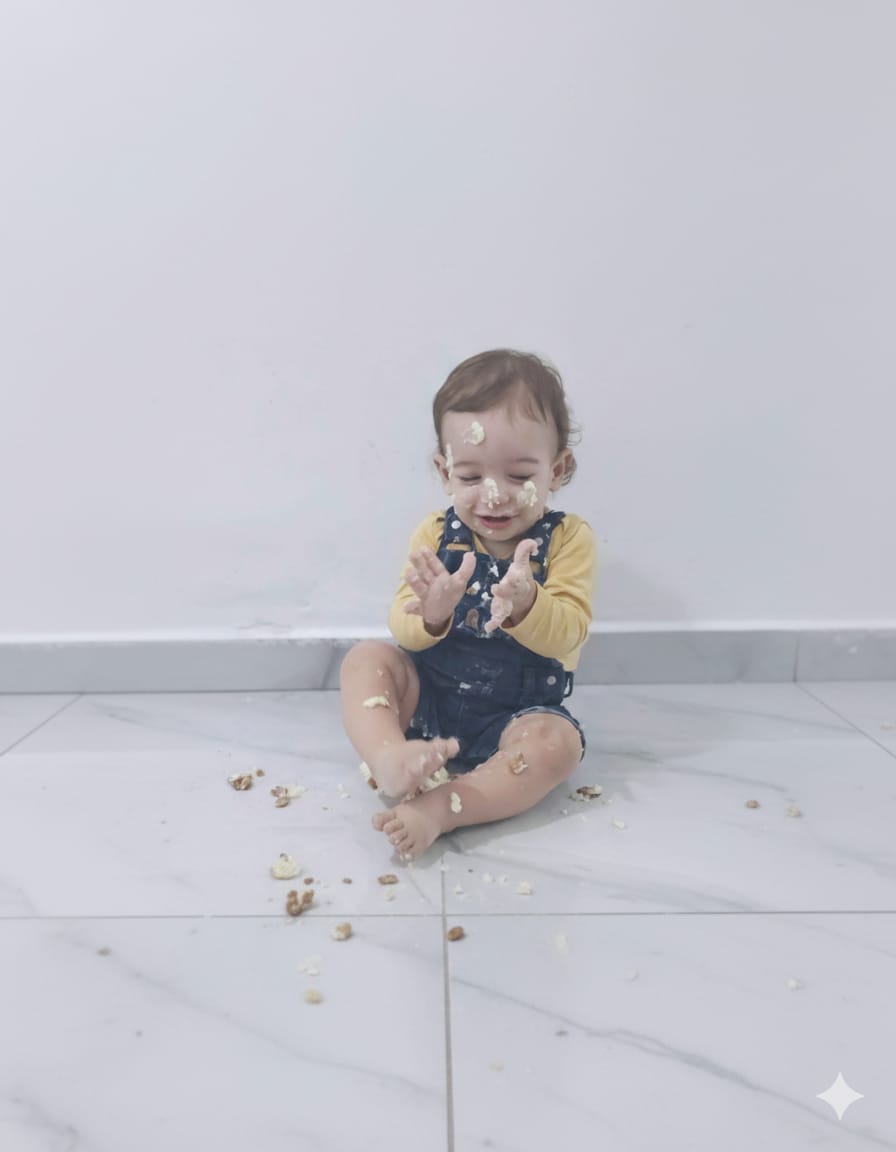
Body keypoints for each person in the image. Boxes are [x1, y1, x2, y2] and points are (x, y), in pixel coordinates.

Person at [339, 349, 596, 859]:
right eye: (472, 478)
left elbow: (570, 633)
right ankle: (390, 756)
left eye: (520, 477)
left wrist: (528, 605)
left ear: (558, 469)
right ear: (444, 470)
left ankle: (446, 807)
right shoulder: (436, 533)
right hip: (428, 700)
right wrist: (431, 613)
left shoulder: (569, 540)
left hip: (516, 715)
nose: (494, 496)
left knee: (558, 745)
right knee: (366, 659)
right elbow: (402, 629)